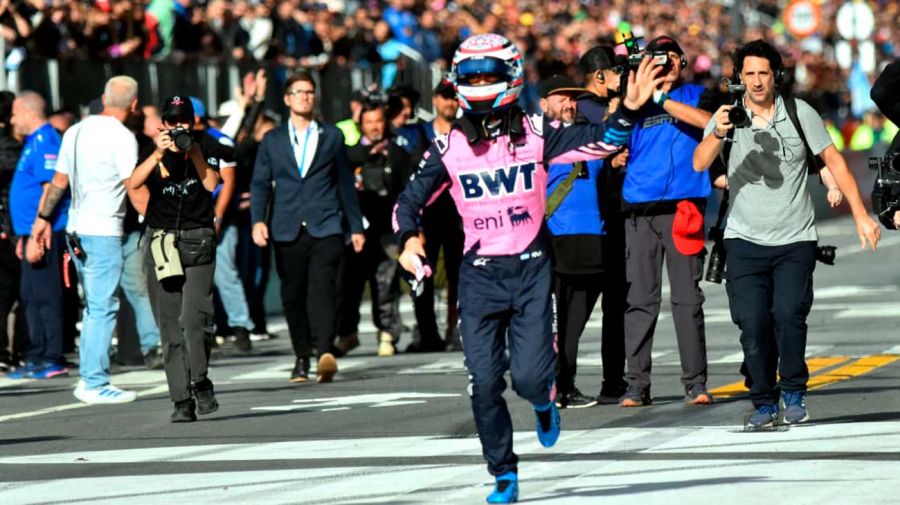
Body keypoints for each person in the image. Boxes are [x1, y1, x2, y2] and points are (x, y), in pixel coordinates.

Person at [394, 33, 662, 503]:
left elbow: (607, 141)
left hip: (532, 269)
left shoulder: (539, 132)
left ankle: (543, 401)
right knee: (483, 384)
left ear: (511, 76)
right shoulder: (448, 146)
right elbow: (406, 204)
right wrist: (408, 239)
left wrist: (628, 109)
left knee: (532, 379)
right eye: (471, 76)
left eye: (488, 75)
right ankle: (504, 472)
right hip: (478, 275)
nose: (479, 83)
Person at [693, 40, 880, 428]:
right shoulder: (727, 116)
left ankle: (793, 393)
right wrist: (717, 131)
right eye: (749, 74)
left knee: (789, 316)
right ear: (739, 78)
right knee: (753, 324)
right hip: (743, 240)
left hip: (795, 238)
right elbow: (699, 163)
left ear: (776, 76)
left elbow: (834, 161)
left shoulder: (800, 113)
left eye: (764, 73)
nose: (757, 82)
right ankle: (764, 403)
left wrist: (862, 215)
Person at [618, 36, 717, 408]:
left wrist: (663, 100)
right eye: (659, 59)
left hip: (684, 209)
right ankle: (636, 385)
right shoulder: (634, 99)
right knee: (640, 300)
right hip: (640, 210)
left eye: (672, 57)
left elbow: (711, 125)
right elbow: (614, 136)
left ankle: (696, 382)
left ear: (683, 61)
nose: (666, 64)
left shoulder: (698, 94)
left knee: (687, 299)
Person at [30, 76, 142, 403]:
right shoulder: (122, 136)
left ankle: (91, 378)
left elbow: (58, 181)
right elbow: (132, 185)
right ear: (133, 105)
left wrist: (42, 219)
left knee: (94, 307)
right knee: (102, 306)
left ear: (104, 98)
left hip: (76, 228)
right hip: (104, 229)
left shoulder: (75, 130)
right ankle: (94, 381)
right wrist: (158, 218)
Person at [250, 72, 365, 384]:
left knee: (323, 289)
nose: (305, 97)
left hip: (326, 223)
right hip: (286, 226)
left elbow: (345, 183)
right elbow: (260, 184)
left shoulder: (331, 136)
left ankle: (325, 351)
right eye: (299, 92)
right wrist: (258, 220)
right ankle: (302, 355)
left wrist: (355, 226)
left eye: (310, 92)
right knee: (293, 294)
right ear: (287, 98)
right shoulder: (272, 140)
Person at [131, 95, 222, 422]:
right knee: (169, 325)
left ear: (193, 122)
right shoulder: (153, 150)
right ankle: (181, 400)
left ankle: (200, 378)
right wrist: (158, 151)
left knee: (196, 318)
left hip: (198, 240)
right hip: (163, 244)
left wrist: (194, 152)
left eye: (184, 121)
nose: (178, 127)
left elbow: (212, 184)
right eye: (172, 122)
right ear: (163, 124)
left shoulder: (205, 146)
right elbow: (133, 184)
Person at [538, 74, 618, 409]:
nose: (569, 104)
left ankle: (565, 384)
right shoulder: (537, 140)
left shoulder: (589, 139)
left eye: (573, 99)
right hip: (556, 239)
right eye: (561, 98)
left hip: (593, 239)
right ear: (543, 105)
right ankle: (555, 385)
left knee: (575, 323)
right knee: (557, 321)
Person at [574, 45, 629, 404]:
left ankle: (565, 381)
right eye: (616, 72)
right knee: (600, 305)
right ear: (599, 76)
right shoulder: (594, 112)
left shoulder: (575, 110)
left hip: (586, 220)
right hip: (602, 217)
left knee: (584, 306)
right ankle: (609, 381)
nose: (622, 78)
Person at [7, 92, 69, 380]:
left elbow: (50, 188)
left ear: (29, 112)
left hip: (45, 231)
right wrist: (23, 236)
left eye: (15, 114)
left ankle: (51, 356)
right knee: (30, 296)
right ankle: (36, 354)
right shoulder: (32, 142)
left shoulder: (46, 140)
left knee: (45, 296)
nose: (11, 120)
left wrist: (36, 233)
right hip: (28, 232)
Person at [339, 100, 409, 357]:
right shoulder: (350, 154)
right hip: (356, 231)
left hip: (388, 231)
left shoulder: (397, 154)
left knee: (386, 283)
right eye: (369, 122)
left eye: (378, 121)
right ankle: (348, 333)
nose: (375, 127)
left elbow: (407, 191)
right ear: (361, 125)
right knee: (350, 284)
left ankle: (388, 333)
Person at [189, 96, 254, 354]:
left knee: (224, 272)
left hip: (218, 217)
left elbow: (227, 182)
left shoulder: (219, 141)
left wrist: (217, 215)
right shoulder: (179, 143)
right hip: (190, 217)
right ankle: (205, 329)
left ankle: (241, 326)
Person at [408, 79, 464, 353]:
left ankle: (455, 328)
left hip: (458, 215)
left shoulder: (465, 132)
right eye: (445, 97)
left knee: (459, 275)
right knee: (422, 273)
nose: (450, 103)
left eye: (454, 97)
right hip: (427, 215)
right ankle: (427, 333)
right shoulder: (419, 133)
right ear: (435, 100)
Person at [0, 90, 27, 373]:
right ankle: (11, 349)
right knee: (13, 290)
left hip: (9, 226)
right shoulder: (10, 148)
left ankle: (10, 350)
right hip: (9, 227)